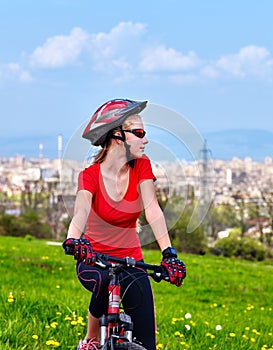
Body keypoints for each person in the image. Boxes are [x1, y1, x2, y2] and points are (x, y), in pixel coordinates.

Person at [63, 98, 186, 350]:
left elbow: (152, 209)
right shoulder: (89, 176)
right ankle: (91, 339)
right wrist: (74, 239)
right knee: (104, 280)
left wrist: (169, 253)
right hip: (94, 260)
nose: (146, 139)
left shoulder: (142, 166)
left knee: (146, 343)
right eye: (139, 133)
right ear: (117, 136)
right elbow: (81, 211)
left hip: (132, 260)